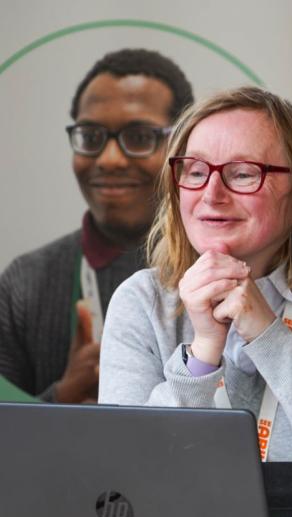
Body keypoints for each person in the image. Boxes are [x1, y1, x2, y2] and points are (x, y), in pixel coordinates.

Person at [98, 86, 292, 502]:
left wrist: (267, 335)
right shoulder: (141, 302)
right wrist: (202, 352)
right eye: (195, 171)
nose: (211, 194)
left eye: (243, 173)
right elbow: (125, 481)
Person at [0, 48, 193, 402]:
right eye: (90, 137)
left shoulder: (227, 276)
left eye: (139, 137)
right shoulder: (24, 285)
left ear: (184, 144)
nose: (109, 159)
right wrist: (62, 397)